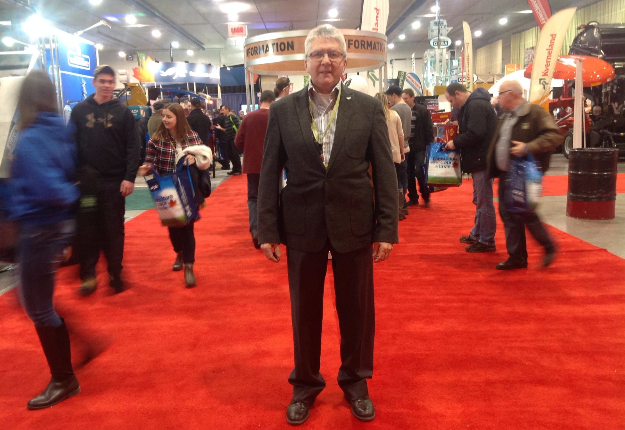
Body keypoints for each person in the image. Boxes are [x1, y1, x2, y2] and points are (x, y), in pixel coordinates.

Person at [257, 24, 398, 425]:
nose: (325, 60)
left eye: (333, 54)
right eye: (317, 54)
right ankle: (305, 384)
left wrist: (387, 227)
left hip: (354, 221)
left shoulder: (368, 107)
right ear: (305, 63)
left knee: (356, 309)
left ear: (344, 62)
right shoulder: (282, 111)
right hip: (301, 224)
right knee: (305, 310)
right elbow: (269, 172)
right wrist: (266, 228)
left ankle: (356, 382)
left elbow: (384, 171)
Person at [8, 70, 81, 409]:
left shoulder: (31, 138)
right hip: (50, 227)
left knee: (37, 307)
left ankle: (64, 379)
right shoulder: (59, 131)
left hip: (38, 227)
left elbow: (53, 187)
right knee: (37, 303)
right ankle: (66, 371)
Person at [70, 65, 140, 295]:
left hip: (114, 182)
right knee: (86, 230)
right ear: (94, 83)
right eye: (103, 81)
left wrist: (129, 177)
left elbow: (133, 147)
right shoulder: (79, 110)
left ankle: (115, 273)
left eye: (111, 82)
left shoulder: (123, 112)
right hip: (86, 184)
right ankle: (88, 276)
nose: (107, 85)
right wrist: (73, 177)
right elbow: (70, 146)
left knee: (113, 230)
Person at [486, 80, 561, 270]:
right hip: (506, 174)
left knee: (526, 213)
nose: (498, 97)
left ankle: (548, 245)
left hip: (523, 174)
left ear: (511, 94)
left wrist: (528, 147)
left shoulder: (535, 113)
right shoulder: (505, 116)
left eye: (500, 93)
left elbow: (554, 136)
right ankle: (517, 257)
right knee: (509, 215)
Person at [138, 103, 210, 287]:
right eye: (164, 116)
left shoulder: (192, 136)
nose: (165, 119)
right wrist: (147, 167)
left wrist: (195, 159)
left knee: (187, 227)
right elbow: (150, 158)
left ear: (179, 117)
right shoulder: (157, 139)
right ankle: (179, 252)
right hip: (166, 189)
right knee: (173, 227)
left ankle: (189, 266)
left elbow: (206, 157)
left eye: (169, 116)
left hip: (188, 188)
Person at [444, 83, 498, 253]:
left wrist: (456, 142)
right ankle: (478, 233)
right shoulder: (475, 104)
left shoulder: (475, 105)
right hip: (479, 159)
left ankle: (487, 239)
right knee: (480, 200)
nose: (452, 104)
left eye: (451, 100)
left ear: (458, 93)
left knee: (484, 201)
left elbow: (476, 133)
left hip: (482, 159)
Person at [234, 90, 276, 248]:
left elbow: (238, 142)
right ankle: (272, 232)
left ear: (261, 101)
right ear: (273, 101)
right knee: (273, 197)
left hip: (252, 165)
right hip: (273, 164)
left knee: (253, 198)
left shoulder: (248, 117)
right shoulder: (276, 116)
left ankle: (256, 231)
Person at [374, 92, 405, 220]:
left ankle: (382, 211)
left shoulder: (374, 115)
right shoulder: (394, 115)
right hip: (395, 153)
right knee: (397, 183)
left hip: (379, 155)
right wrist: (402, 151)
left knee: (380, 184)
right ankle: (399, 210)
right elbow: (400, 135)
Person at [402, 88, 434, 206]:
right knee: (408, 172)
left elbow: (428, 128)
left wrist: (429, 145)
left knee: (419, 170)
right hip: (406, 147)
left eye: (406, 98)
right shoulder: (402, 111)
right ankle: (413, 197)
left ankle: (425, 195)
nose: (404, 101)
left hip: (420, 146)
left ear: (412, 97)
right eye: (403, 98)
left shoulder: (422, 111)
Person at [384, 85, 411, 216]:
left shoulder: (393, 111)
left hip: (396, 148)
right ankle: (403, 204)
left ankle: (400, 206)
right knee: (403, 176)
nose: (389, 100)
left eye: (389, 97)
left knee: (396, 179)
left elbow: (397, 133)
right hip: (405, 147)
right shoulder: (408, 107)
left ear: (393, 95)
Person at [214, 105, 241, 175]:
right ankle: (234, 168)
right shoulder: (226, 119)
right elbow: (227, 130)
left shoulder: (233, 117)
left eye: (223, 110)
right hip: (228, 139)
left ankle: (238, 169)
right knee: (230, 154)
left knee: (235, 154)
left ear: (227, 109)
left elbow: (239, 128)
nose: (222, 112)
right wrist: (221, 128)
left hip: (233, 139)